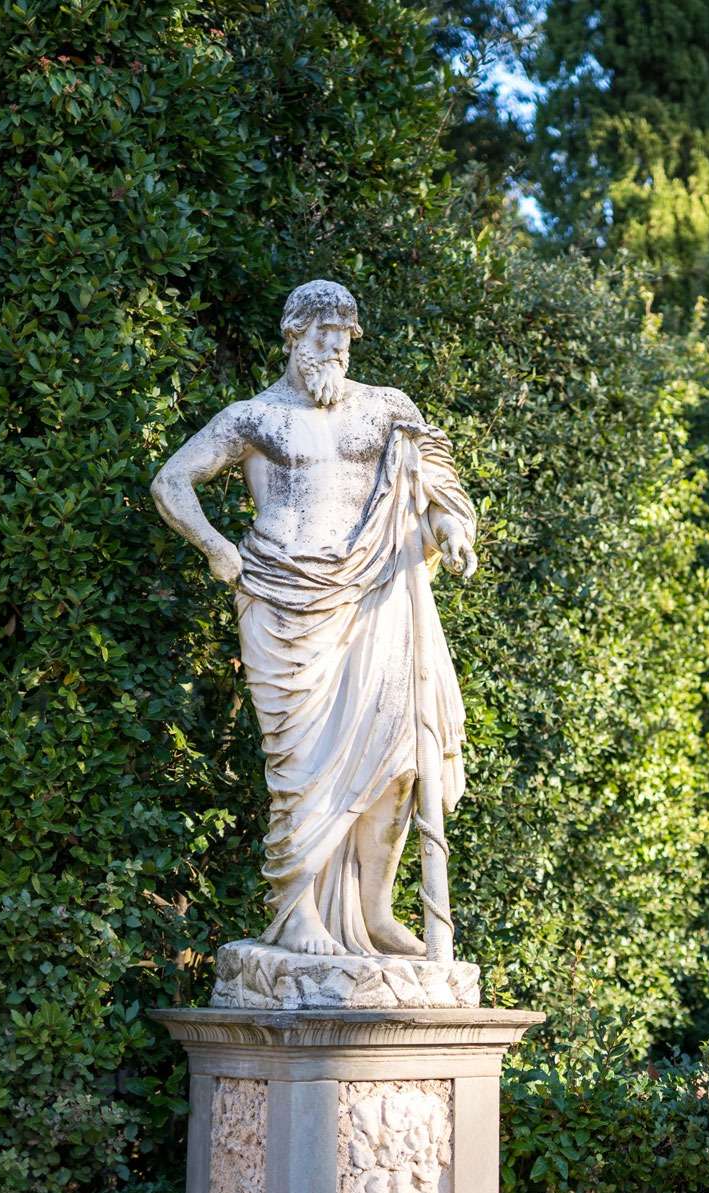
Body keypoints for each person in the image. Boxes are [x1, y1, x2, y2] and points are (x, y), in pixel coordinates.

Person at [151, 280, 477, 960]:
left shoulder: (389, 409)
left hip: (376, 592)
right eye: (323, 333)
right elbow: (171, 481)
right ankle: (296, 911)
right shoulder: (254, 417)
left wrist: (450, 530)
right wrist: (215, 546)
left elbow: (435, 485)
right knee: (296, 762)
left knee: (393, 759)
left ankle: (376, 912)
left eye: (346, 335)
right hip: (280, 595)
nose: (336, 347)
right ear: (292, 334)